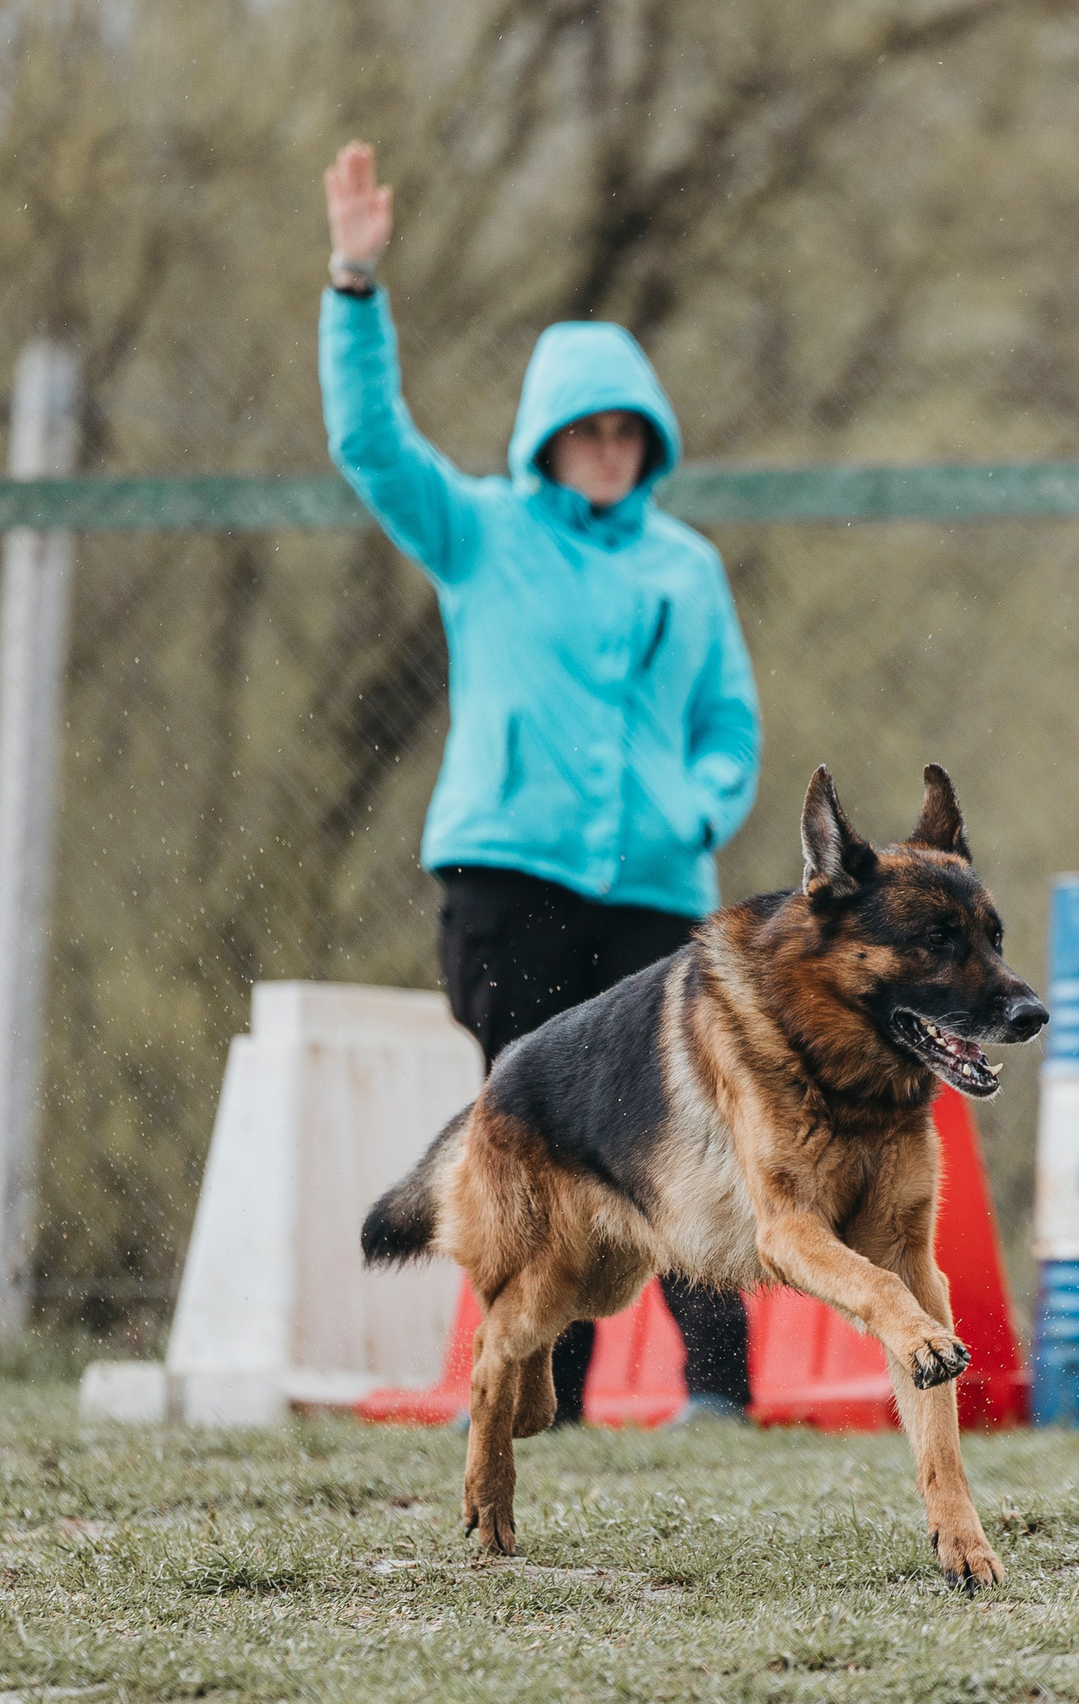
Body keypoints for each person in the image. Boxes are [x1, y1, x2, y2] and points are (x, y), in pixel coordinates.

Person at [318, 141, 760, 1423]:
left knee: (689, 1125)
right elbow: (368, 442)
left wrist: (698, 807)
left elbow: (731, 722)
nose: (609, 450)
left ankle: (719, 1397)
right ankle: (528, 1394)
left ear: (650, 442)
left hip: (653, 898)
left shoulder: (688, 568)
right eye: (587, 430)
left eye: (628, 432)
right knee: (533, 1132)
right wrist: (354, 280)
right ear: (547, 439)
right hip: (505, 881)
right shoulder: (479, 532)